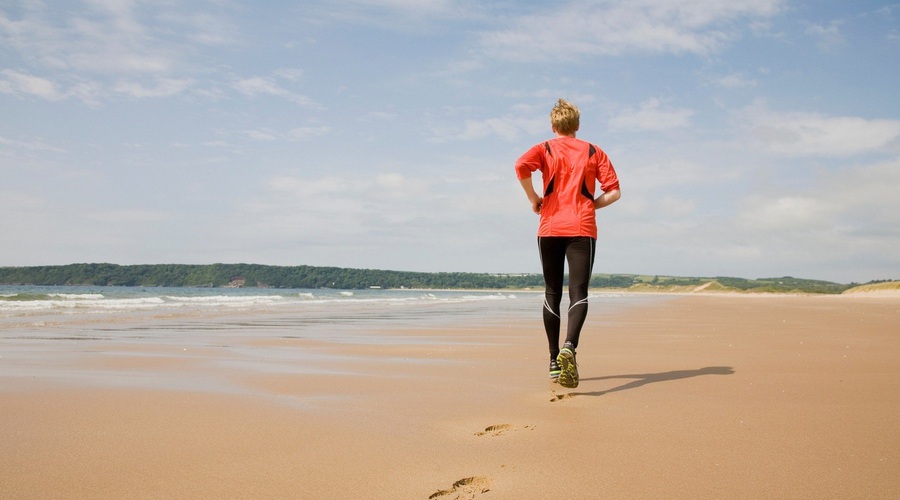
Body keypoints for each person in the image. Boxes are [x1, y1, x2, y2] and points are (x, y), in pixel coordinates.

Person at [515, 99, 621, 389]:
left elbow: (520, 166)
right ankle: (569, 347)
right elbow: (614, 193)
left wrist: (533, 198)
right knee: (578, 293)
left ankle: (552, 361)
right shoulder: (593, 151)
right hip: (582, 228)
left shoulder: (544, 149)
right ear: (577, 125)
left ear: (553, 126)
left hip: (549, 227)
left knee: (552, 291)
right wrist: (589, 205)